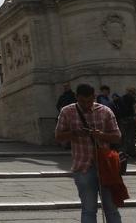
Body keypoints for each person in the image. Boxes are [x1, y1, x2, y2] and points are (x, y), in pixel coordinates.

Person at [55, 83, 122, 223]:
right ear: (76, 97)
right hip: (82, 166)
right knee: (88, 208)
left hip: (105, 166)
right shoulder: (67, 111)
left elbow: (117, 136)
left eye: (89, 101)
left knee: (111, 208)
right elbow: (58, 136)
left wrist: (101, 135)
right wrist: (74, 133)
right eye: (82, 101)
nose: (86, 105)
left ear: (94, 97)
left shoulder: (105, 111)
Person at [118, 87, 136, 157]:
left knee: (123, 136)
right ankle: (131, 152)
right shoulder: (132, 98)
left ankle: (123, 152)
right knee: (132, 136)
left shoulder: (121, 98)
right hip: (130, 119)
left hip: (122, 120)